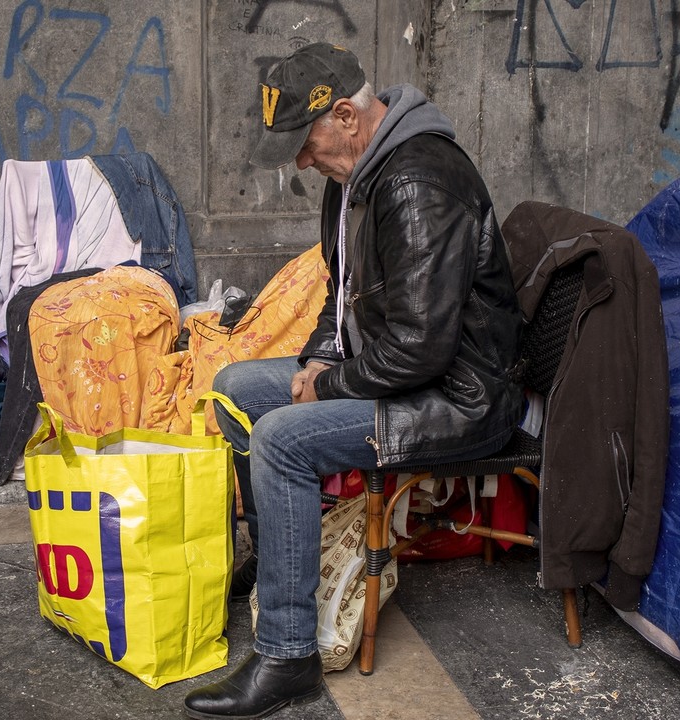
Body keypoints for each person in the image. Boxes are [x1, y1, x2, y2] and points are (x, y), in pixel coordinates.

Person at [183, 43, 523, 719]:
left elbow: (423, 349)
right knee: (236, 389)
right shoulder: (355, 178)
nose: (303, 164)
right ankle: (281, 559)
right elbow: (340, 301)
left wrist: (330, 388)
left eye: (305, 146)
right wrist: (317, 359)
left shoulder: (418, 181)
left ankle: (286, 656)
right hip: (398, 370)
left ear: (346, 116)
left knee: (281, 439)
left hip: (453, 398)